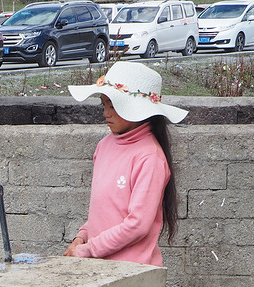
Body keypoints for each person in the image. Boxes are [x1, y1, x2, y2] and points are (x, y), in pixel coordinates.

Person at [63, 61, 186, 267]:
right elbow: (102, 210)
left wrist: (87, 249)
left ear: (138, 110)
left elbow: (137, 224)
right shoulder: (104, 146)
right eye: (104, 104)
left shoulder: (149, 157)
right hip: (97, 264)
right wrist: (81, 237)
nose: (106, 113)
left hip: (130, 270)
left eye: (114, 106)